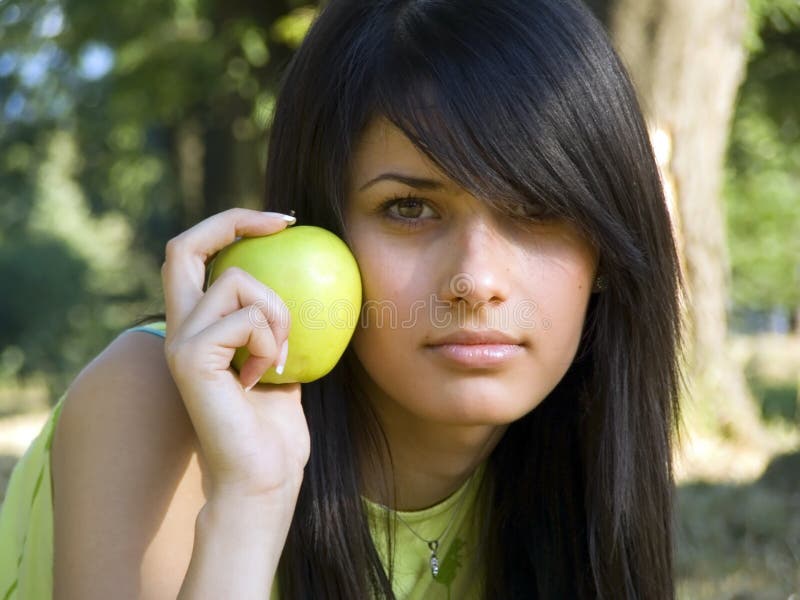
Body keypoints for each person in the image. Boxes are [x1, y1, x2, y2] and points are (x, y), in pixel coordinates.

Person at [0, 0, 684, 597]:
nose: (476, 281)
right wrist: (249, 500)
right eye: (410, 207)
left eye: (537, 208)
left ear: (604, 245)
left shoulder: (583, 455)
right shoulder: (159, 403)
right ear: (322, 232)